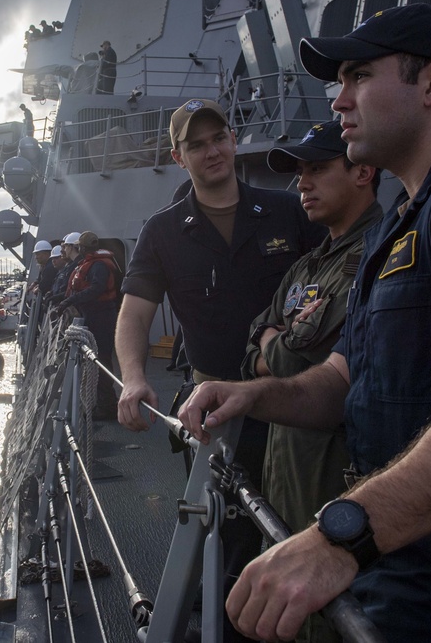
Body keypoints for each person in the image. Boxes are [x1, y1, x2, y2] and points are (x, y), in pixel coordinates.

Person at [178, 4, 431, 642]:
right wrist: (253, 396)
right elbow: (343, 380)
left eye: (359, 76)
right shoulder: (402, 225)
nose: (338, 100)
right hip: (399, 549)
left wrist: (343, 536)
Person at [115, 98, 325, 637]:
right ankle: (228, 628)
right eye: (197, 144)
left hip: (292, 399)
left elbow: (335, 271)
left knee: (302, 524)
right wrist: (135, 378)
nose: (212, 151)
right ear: (178, 157)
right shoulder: (163, 232)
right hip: (216, 411)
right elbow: (134, 313)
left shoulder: (284, 210)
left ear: (233, 140)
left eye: (219, 138)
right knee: (225, 530)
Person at [238, 119, 382, 643]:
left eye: (318, 169)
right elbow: (252, 345)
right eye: (299, 173)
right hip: (285, 473)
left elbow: (315, 371)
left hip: (333, 482)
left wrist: (278, 345)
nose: (303, 183)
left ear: (363, 171)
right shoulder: (306, 267)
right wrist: (281, 345)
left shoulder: (376, 258)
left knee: (330, 622)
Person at [54, 231, 121, 419]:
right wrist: (63, 299)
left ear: (83, 247)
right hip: (92, 315)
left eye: (80, 247)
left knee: (101, 361)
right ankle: (100, 404)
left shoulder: (98, 265)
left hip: (101, 317)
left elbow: (96, 289)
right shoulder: (89, 264)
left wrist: (70, 301)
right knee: (94, 362)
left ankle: (108, 407)